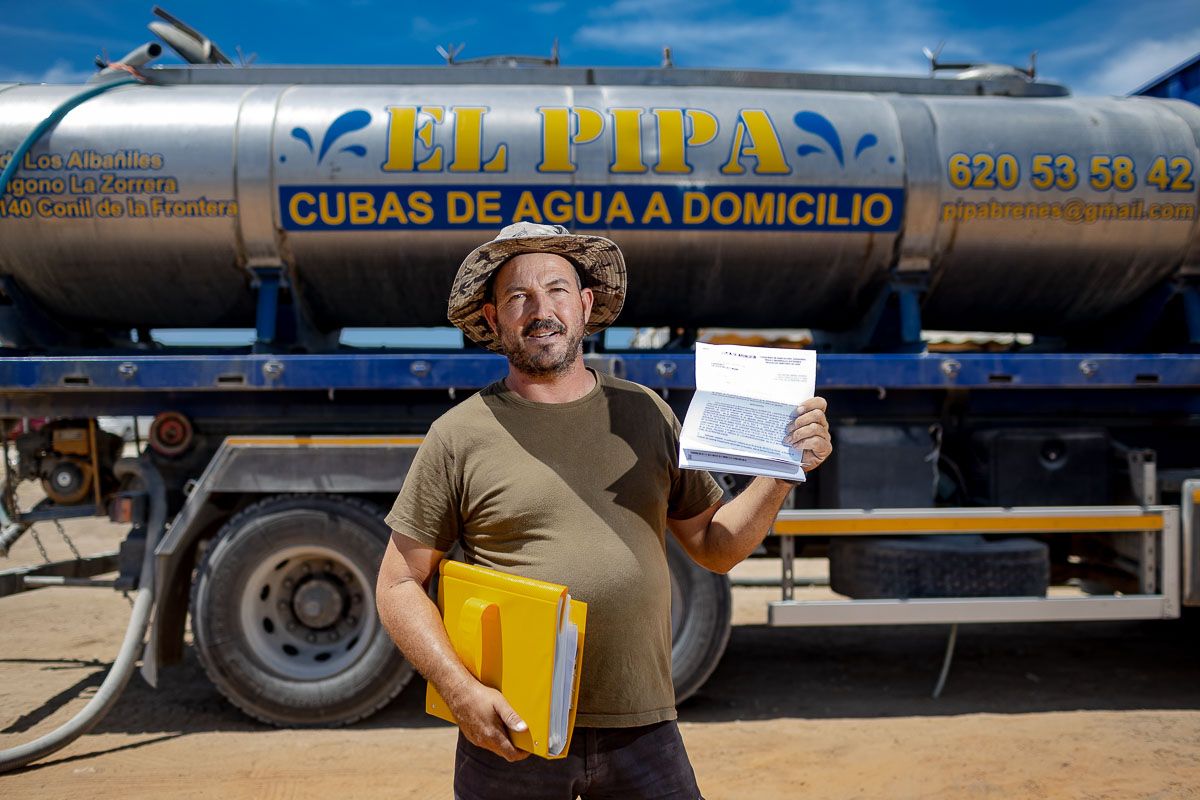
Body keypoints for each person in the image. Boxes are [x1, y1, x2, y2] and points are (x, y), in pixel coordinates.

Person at [376, 222, 832, 799]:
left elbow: (717, 548)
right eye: (519, 297)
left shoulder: (646, 415)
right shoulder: (459, 435)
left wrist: (780, 471)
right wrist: (460, 692)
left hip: (644, 732)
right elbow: (397, 585)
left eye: (557, 290)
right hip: (511, 735)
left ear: (586, 306)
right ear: (492, 320)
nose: (541, 310)